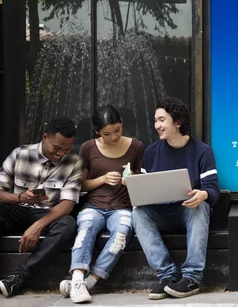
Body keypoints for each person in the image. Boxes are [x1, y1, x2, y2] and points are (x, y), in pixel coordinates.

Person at [131, 96, 220, 300]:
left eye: (162, 120)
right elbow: (146, 189)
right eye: (156, 120)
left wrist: (203, 194)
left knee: (201, 206)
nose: (157, 125)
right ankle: (167, 276)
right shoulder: (151, 151)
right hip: (160, 212)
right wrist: (135, 186)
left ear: (177, 122)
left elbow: (213, 189)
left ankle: (191, 278)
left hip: (189, 211)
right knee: (138, 213)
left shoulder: (202, 152)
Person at [59, 105, 145, 303]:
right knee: (85, 229)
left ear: (122, 123)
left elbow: (143, 183)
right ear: (97, 131)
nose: (114, 137)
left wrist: (132, 178)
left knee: (121, 235)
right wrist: (103, 179)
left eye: (117, 130)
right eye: (107, 133)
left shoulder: (137, 146)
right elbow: (80, 185)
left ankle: (89, 283)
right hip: (94, 206)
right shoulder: (87, 148)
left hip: (122, 207)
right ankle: (78, 278)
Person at [0, 117, 82, 297]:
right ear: (45, 137)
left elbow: (68, 203)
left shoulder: (74, 161)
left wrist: (39, 225)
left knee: (68, 225)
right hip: (17, 209)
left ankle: (18, 277)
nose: (60, 154)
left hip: (47, 213)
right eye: (56, 148)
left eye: (66, 149)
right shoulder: (20, 154)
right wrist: (20, 197)